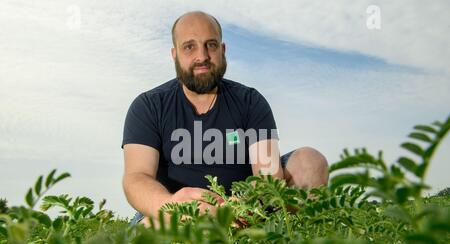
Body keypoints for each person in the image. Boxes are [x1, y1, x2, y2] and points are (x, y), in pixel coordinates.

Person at [121, 11, 329, 227]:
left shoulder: (250, 101)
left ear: (222, 50)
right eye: (189, 46)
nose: (201, 56)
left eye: (210, 45)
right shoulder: (149, 106)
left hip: (245, 213)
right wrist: (172, 205)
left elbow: (268, 175)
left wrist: (244, 205)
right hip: (174, 214)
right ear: (175, 54)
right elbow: (137, 177)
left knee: (309, 163)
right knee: (144, 235)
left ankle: (284, 243)